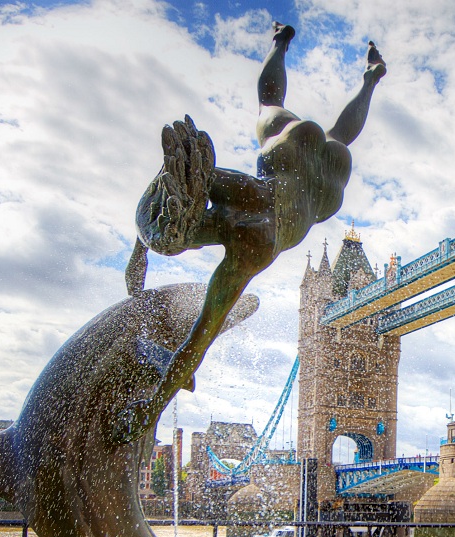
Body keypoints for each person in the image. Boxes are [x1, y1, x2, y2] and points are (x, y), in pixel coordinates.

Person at [128, 23, 386, 389]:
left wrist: (153, 398)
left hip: (327, 186)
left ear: (192, 242)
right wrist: (139, 252)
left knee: (339, 137)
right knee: (270, 104)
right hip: (289, 151)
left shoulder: (248, 254)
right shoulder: (228, 191)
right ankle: (283, 41)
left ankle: (371, 79)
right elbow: (181, 179)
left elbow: (199, 339)